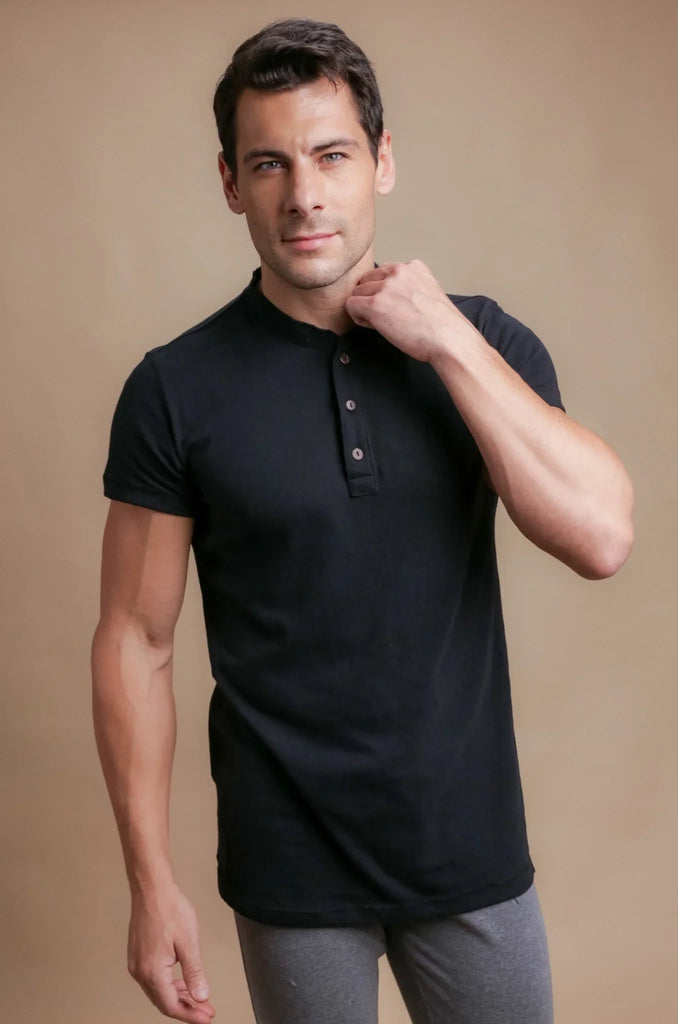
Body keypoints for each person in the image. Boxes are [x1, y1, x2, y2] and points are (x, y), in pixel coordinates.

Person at [91, 17, 634, 1024]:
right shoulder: (175, 389)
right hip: (291, 868)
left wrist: (448, 343)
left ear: (382, 161)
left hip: (468, 848)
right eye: (270, 163)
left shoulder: (482, 340)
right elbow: (137, 640)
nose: (303, 194)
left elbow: (601, 537)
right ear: (230, 182)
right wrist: (150, 882)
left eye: (332, 155)